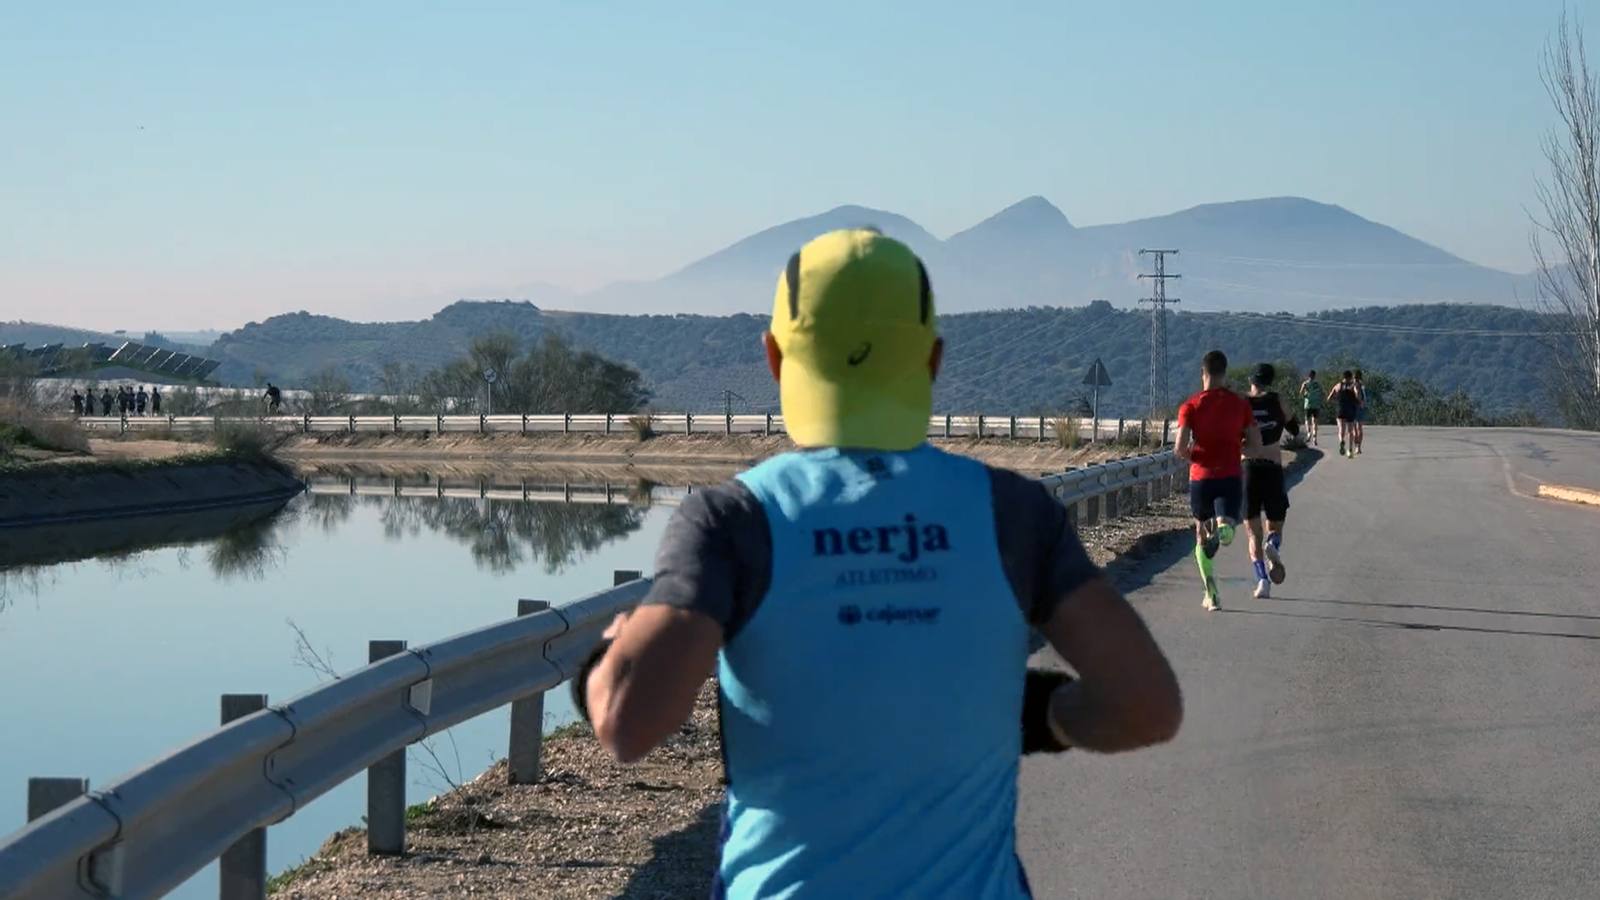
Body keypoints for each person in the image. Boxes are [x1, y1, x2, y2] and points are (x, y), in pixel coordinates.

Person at [573, 229, 1183, 899]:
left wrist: (607, 663)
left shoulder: (734, 521)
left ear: (775, 357)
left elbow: (629, 723)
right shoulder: (1011, 513)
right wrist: (1040, 713)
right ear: (932, 360)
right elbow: (1147, 706)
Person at [1176, 349, 1266, 611]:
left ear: (1203, 373)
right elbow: (1256, 446)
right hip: (1230, 475)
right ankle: (1224, 532)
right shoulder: (1240, 405)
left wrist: (1197, 456)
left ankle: (1211, 594)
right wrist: (1236, 449)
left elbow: (1180, 447)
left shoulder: (1190, 406)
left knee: (1201, 536)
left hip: (1201, 477)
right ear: (1225, 373)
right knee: (1226, 523)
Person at [1244, 364, 1296, 599]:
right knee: (1275, 525)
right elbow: (1294, 427)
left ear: (1251, 380)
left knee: (1253, 533)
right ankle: (1273, 545)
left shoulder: (1242, 403)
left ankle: (1262, 581)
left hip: (1248, 468)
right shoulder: (1278, 400)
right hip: (1272, 467)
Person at [1327, 371, 1360, 459]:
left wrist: (1337, 400)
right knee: (1350, 431)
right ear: (1350, 377)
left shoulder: (1338, 385)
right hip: (1351, 410)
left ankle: (1341, 441)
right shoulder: (1353, 385)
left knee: (1341, 429)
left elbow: (1329, 398)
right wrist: (1358, 401)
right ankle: (1350, 450)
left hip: (1340, 409)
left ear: (1343, 377)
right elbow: (1357, 395)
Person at [1299, 369, 1323, 447]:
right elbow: (1322, 393)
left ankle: (1309, 433)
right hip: (1316, 404)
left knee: (1307, 419)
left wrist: (1305, 395)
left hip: (1308, 404)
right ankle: (1315, 437)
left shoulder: (1305, 383)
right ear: (1314, 376)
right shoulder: (1318, 384)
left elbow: (1300, 393)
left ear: (1308, 375)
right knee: (1315, 421)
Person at [1352, 369, 1369, 455]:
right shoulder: (1362, 387)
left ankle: (1357, 447)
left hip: (1355, 408)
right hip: (1360, 408)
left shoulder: (1355, 386)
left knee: (1356, 429)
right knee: (1358, 428)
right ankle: (1358, 447)